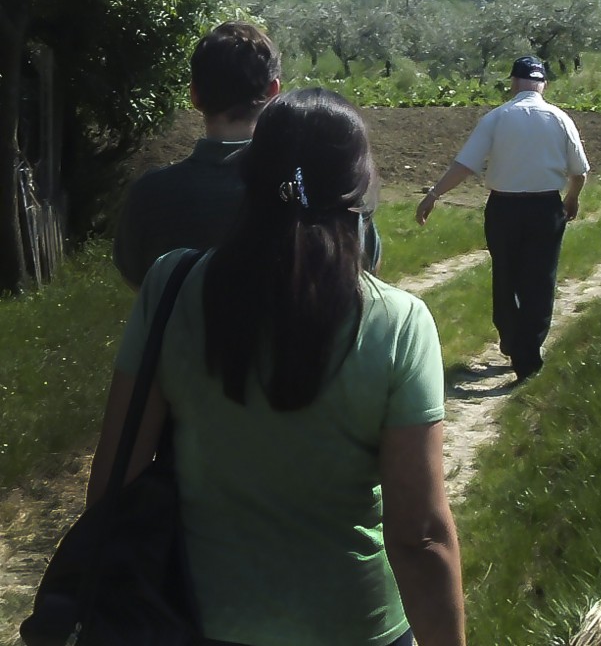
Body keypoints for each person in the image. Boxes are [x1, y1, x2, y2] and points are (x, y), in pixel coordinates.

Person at [88, 88, 466, 646]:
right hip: (355, 625)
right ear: (359, 192)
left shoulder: (171, 287)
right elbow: (420, 536)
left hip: (194, 616)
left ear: (249, 176)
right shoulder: (399, 324)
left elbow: (114, 480)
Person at [113, 21, 380, 287]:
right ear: (274, 92)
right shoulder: (320, 193)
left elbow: (137, 279)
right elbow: (365, 271)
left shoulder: (149, 195)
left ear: (194, 95)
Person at [417, 56, 589, 384]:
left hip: (503, 208)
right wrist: (572, 197)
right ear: (543, 85)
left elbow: (465, 165)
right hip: (545, 208)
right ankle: (528, 353)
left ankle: (512, 338)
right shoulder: (559, 118)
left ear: (513, 82)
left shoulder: (496, 118)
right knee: (540, 280)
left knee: (506, 275)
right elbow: (579, 172)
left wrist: (434, 194)